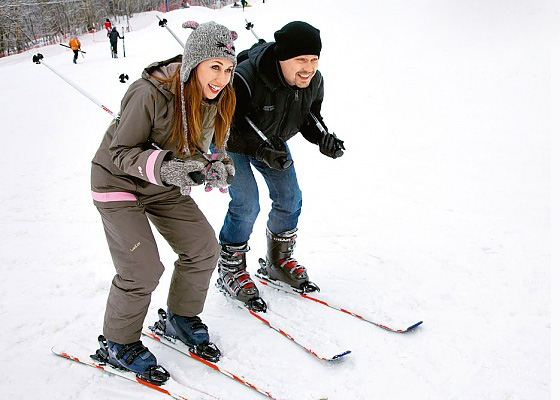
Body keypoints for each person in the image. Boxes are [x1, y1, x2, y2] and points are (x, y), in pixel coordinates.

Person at [90, 21, 238, 384]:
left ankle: (180, 317)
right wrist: (169, 168)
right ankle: (117, 343)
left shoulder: (216, 99)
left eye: (228, 69)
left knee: (204, 247)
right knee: (142, 267)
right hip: (119, 182)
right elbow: (121, 152)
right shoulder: (148, 92)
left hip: (162, 184)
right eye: (214, 67)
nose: (221, 78)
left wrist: (216, 167)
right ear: (193, 64)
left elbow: (206, 149)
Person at [216, 21, 345, 311]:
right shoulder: (245, 77)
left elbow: (308, 116)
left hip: (270, 142)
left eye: (313, 59)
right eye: (300, 60)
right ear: (282, 58)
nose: (308, 68)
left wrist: (323, 138)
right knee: (247, 203)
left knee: (290, 198)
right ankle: (231, 270)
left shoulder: (314, 81)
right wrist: (260, 148)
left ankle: (278, 261)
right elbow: (230, 124)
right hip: (230, 142)